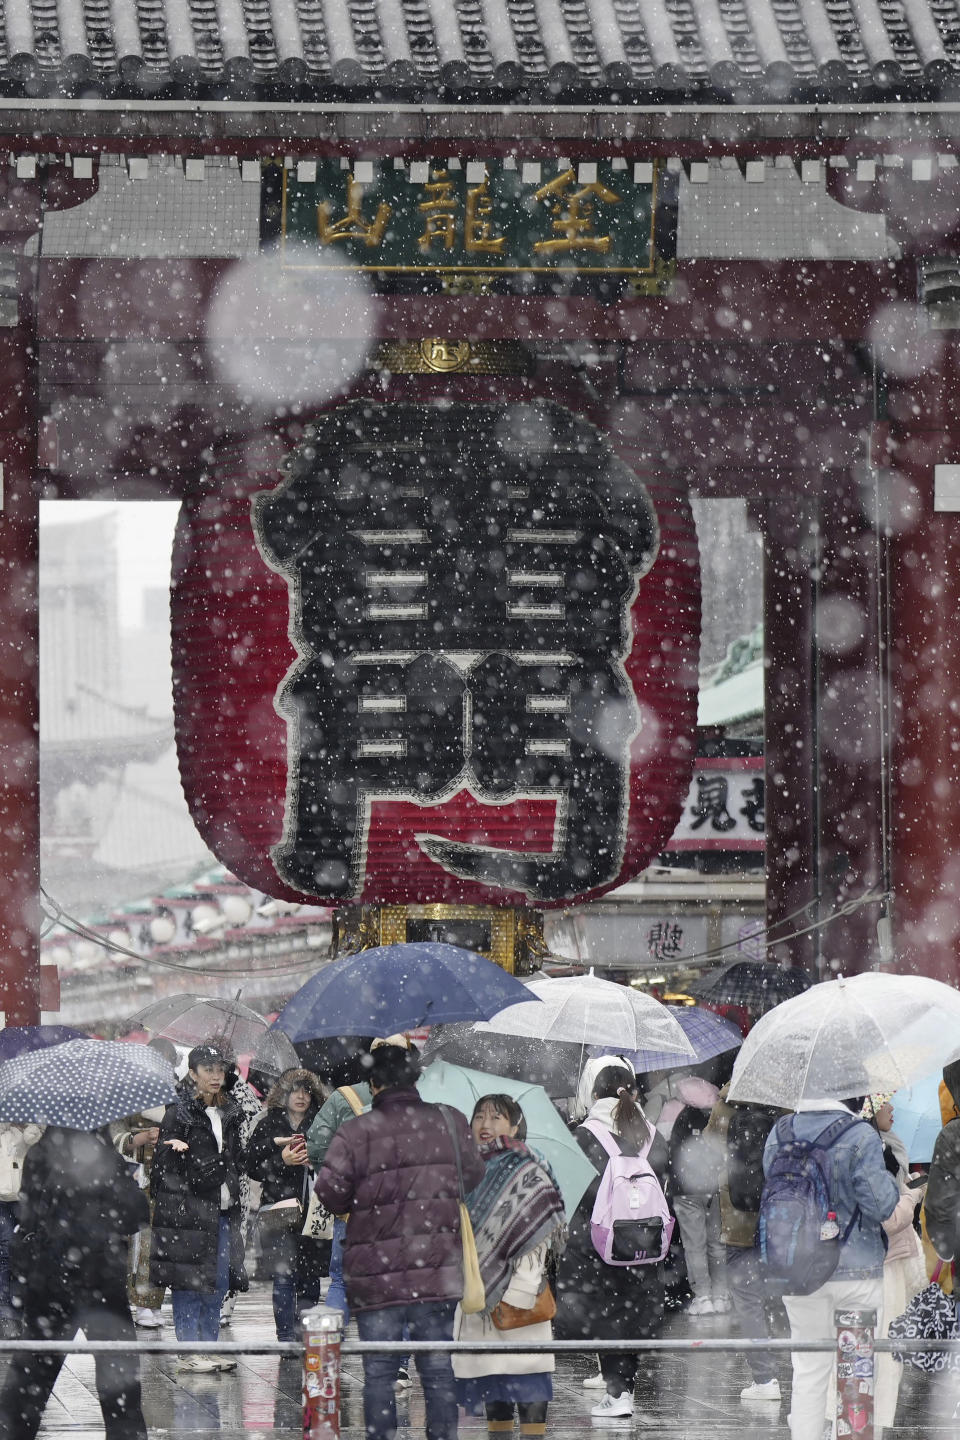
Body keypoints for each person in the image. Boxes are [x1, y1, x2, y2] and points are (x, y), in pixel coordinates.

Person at [314, 1041, 483, 1440]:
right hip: (437, 1269)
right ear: (416, 1079)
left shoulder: (356, 1132)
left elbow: (329, 1191)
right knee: (439, 1370)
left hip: (376, 1275)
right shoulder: (450, 1121)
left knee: (379, 1373)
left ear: (373, 1084)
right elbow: (472, 1175)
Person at [763, 1097, 900, 1440]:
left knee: (808, 1372)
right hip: (855, 1273)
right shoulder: (860, 1135)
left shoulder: (779, 1132)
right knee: (855, 1375)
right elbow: (881, 1205)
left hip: (797, 1271)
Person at [0, 1125, 149, 1440]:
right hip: (100, 1278)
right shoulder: (106, 1158)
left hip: (50, 1278)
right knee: (118, 1379)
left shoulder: (40, 1153)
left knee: (32, 1377)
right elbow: (134, 1216)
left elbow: (28, 1216)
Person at [554, 1065, 667, 1421]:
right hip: (645, 1240)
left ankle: (617, 1392)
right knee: (632, 1310)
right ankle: (623, 1388)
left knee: (606, 1312)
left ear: (594, 1096)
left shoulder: (582, 1137)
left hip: (597, 1243)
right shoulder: (652, 1134)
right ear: (633, 1093)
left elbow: (567, 1194)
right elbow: (668, 1181)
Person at [452, 1095, 565, 1440]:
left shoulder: (529, 1166)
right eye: (479, 1117)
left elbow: (543, 1229)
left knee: (529, 1382)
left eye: (496, 1117)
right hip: (476, 1293)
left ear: (515, 1126)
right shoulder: (463, 1168)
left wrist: (519, 1289)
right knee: (493, 1386)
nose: (485, 1125)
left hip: (521, 1294)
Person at [149, 1043, 248, 1372]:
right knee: (189, 1281)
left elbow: (234, 1162)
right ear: (192, 1074)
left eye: (220, 1070)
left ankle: (209, 1346)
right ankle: (190, 1350)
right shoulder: (179, 1111)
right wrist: (179, 1153)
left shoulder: (229, 1111)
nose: (216, 1076)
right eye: (208, 1070)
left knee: (218, 1281)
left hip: (221, 1210)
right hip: (188, 1213)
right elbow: (160, 1169)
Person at [705, 1083, 783, 1402]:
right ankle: (812, 1370)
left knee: (748, 1300)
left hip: (737, 1217)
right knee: (790, 1296)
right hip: (779, 1217)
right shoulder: (783, 1107)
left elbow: (708, 1156)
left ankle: (765, 1379)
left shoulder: (723, 1110)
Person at [859, 1093, 927, 1432]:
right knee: (883, 1345)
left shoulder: (884, 1146)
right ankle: (870, 1421)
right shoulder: (874, 1150)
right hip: (882, 1259)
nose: (893, 1109)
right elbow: (886, 1215)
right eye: (887, 1103)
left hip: (871, 1258)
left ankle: (861, 1420)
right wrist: (910, 1197)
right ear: (871, 1109)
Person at [246, 1067, 327, 1340]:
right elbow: (251, 1166)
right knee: (283, 1277)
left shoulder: (321, 1122)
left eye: (306, 1090)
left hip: (312, 1210)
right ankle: (284, 1337)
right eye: (295, 1090)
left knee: (310, 1278)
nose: (301, 1096)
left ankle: (306, 1334)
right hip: (279, 1210)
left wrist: (315, 1161)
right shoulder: (269, 1123)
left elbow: (335, 1158)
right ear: (284, 1094)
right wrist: (281, 1160)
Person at [111, 1034, 178, 1331]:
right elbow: (113, 1135)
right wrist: (138, 1138)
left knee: (157, 1243)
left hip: (165, 1178)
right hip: (132, 1177)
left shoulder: (177, 1094)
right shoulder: (125, 1091)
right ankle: (129, 1301)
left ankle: (151, 1302)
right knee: (133, 1243)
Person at [658, 1071, 728, 1316]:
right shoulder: (717, 1118)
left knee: (694, 1246)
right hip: (715, 1188)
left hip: (686, 1191)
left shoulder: (681, 1118)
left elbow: (672, 1155)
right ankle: (721, 1295)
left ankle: (703, 1297)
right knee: (717, 1244)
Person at [0, 1121, 42, 1335]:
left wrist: (28, 1128)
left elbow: (37, 1146)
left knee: (23, 1252)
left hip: (23, 1195)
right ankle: (8, 1314)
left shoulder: (32, 1122)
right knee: (7, 1252)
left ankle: (20, 1311)